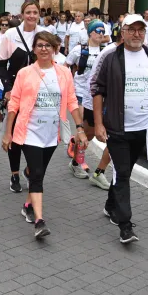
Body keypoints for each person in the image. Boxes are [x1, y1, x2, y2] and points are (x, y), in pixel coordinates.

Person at [93, 14, 148, 244]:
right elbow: (97, 89)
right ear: (123, 32)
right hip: (117, 128)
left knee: (124, 171)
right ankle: (125, 225)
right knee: (121, 173)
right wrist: (99, 123)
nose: (137, 34)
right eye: (131, 30)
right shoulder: (109, 56)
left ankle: (111, 205)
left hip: (144, 128)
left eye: (141, 30)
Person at [2, 31, 87, 238]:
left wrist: (80, 127)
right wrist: (8, 133)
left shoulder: (64, 73)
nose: (43, 49)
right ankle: (39, 221)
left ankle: (27, 205)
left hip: (51, 133)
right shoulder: (25, 73)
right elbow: (14, 104)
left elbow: (71, 101)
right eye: (39, 45)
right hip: (29, 131)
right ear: (34, 49)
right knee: (38, 174)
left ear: (55, 49)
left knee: (37, 172)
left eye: (48, 45)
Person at [0, 1, 43, 193]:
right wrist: (8, 88)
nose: (32, 15)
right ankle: (14, 173)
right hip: (16, 90)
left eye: (35, 12)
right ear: (22, 14)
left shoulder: (44, 34)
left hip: (39, 91)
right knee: (14, 135)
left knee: (35, 132)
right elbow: (0, 64)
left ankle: (30, 169)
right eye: (28, 12)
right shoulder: (11, 35)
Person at [64, 20, 107, 184]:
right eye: (97, 31)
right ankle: (77, 160)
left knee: (86, 132)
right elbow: (65, 66)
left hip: (97, 95)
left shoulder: (106, 50)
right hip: (80, 92)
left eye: (102, 32)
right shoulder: (79, 50)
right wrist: (67, 86)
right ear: (90, 33)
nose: (100, 34)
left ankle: (76, 147)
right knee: (81, 125)